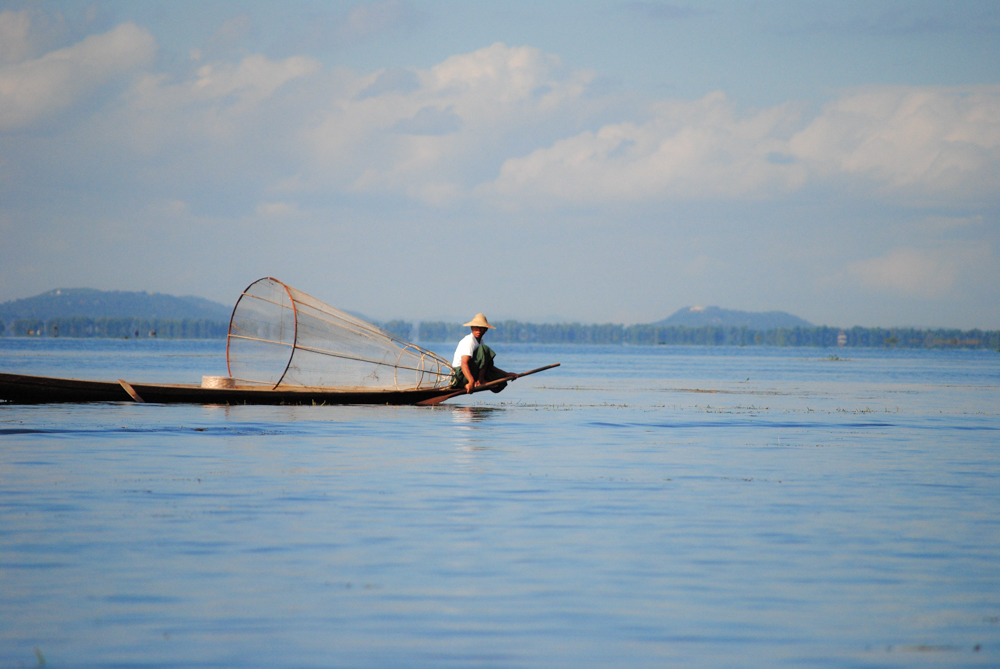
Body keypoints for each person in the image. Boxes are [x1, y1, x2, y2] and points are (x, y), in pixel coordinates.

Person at [451, 313, 517, 394]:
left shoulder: (480, 342)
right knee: (484, 349)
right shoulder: (469, 341)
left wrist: (506, 374)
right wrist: (471, 381)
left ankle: (475, 382)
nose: (478, 330)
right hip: (459, 376)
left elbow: (486, 365)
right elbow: (464, 363)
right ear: (472, 328)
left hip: (469, 374)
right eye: (476, 328)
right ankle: (476, 381)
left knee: (500, 379)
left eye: (481, 328)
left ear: (486, 329)